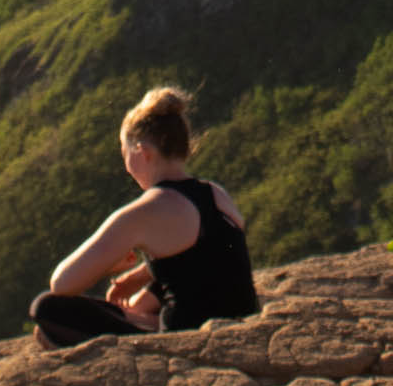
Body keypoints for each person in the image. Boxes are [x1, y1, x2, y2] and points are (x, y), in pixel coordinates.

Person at [29, 85, 259, 348]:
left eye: (124, 152)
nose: (126, 165)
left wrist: (109, 264)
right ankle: (144, 320)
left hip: (186, 338)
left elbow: (62, 283)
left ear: (142, 152)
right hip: (242, 319)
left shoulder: (144, 211)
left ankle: (146, 326)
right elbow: (206, 259)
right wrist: (138, 276)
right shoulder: (217, 193)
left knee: (46, 307)